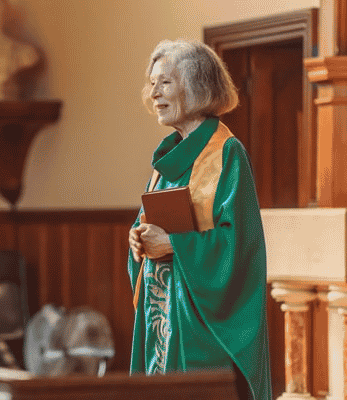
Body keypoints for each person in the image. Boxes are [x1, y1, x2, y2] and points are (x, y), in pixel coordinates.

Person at [127, 39, 271, 400]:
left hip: (201, 325)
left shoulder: (226, 153)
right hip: (162, 314)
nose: (154, 94)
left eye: (165, 83)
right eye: (152, 83)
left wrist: (173, 245)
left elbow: (238, 246)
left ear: (196, 86)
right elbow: (149, 222)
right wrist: (137, 240)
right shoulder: (168, 159)